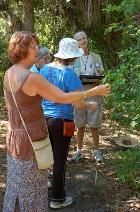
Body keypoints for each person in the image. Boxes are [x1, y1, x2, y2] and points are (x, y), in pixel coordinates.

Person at [3, 31, 110, 211]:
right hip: (38, 135)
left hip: (18, 134)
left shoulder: (10, 73)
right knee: (46, 175)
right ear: (22, 50)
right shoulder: (32, 77)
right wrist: (92, 94)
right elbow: (64, 98)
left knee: (19, 183)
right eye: (33, 46)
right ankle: (57, 197)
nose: (37, 50)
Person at [40, 37, 100, 209]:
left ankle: (46, 185)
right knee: (60, 159)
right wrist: (90, 104)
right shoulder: (70, 74)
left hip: (44, 118)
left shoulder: (44, 69)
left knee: (48, 154)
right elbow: (78, 102)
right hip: (62, 121)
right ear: (73, 57)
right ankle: (57, 198)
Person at [72, 31, 105, 163]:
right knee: (80, 124)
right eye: (79, 39)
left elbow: (101, 71)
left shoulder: (96, 56)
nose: (83, 40)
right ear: (76, 43)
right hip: (79, 92)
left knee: (94, 124)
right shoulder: (73, 58)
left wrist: (98, 74)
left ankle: (96, 151)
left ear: (87, 39)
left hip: (94, 90)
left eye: (84, 37)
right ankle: (79, 151)